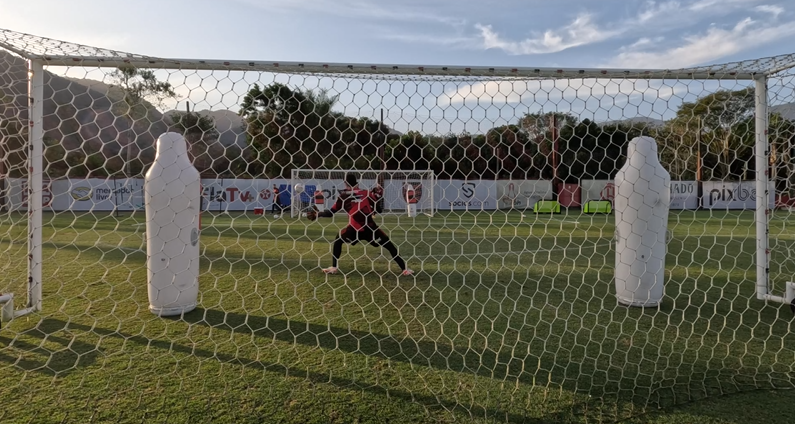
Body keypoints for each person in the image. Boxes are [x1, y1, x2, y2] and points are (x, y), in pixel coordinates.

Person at [315, 173, 413, 276]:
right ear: (357, 182)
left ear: (345, 183)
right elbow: (379, 210)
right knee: (389, 246)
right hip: (370, 229)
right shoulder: (367, 193)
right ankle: (405, 269)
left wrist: (318, 214)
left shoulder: (343, 196)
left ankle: (334, 267)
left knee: (338, 240)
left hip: (353, 230)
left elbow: (330, 213)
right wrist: (377, 198)